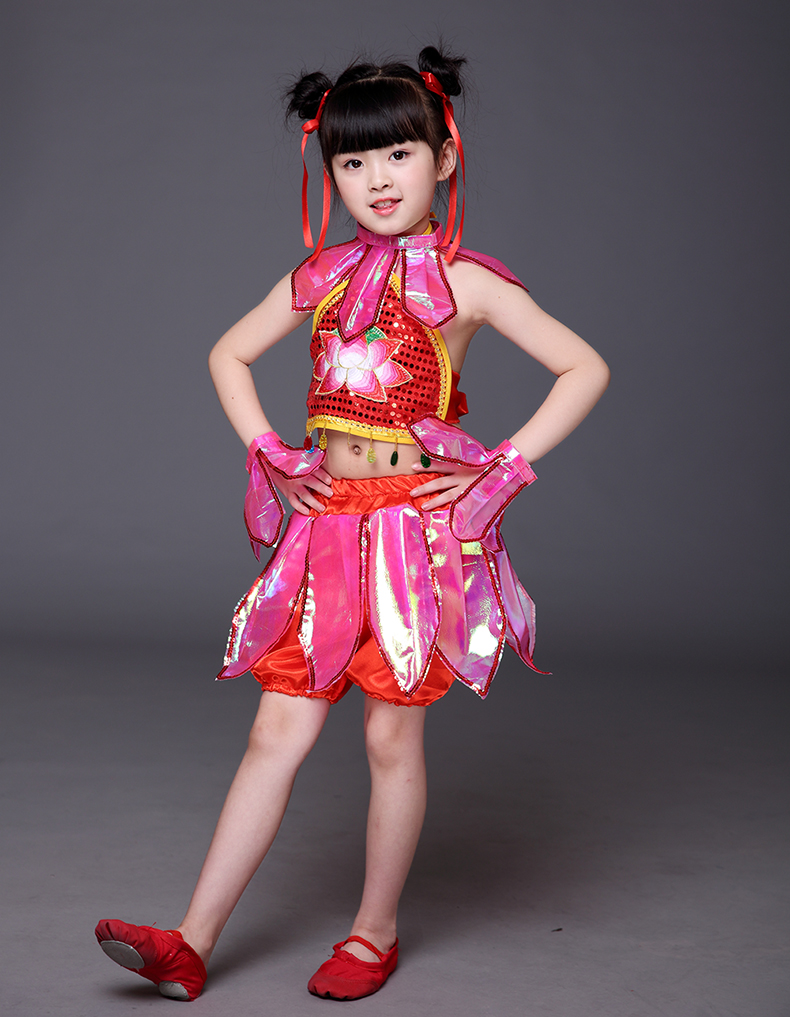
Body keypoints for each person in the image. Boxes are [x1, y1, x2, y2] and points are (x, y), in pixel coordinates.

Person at [95, 45, 610, 1003]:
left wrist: (500, 467)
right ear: (329, 172)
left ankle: (374, 935)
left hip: (413, 539)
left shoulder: (466, 282)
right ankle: (191, 940)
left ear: (443, 158)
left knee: (387, 740)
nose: (377, 179)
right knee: (273, 732)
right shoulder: (323, 274)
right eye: (352, 161)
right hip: (326, 531)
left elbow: (585, 367)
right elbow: (228, 354)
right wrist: (270, 451)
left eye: (399, 154)